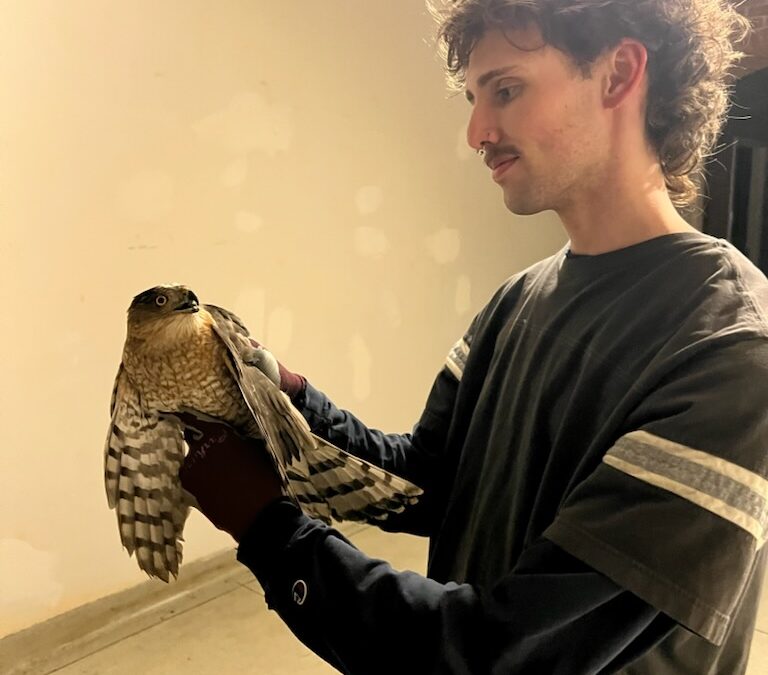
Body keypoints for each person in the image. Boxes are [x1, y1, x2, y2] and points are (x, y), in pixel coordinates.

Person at [179, 1, 768, 673]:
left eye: (506, 90)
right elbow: (429, 481)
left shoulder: (731, 347)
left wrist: (268, 527)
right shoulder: (514, 301)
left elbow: (499, 653)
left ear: (619, 74)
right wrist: (288, 395)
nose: (476, 131)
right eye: (474, 97)